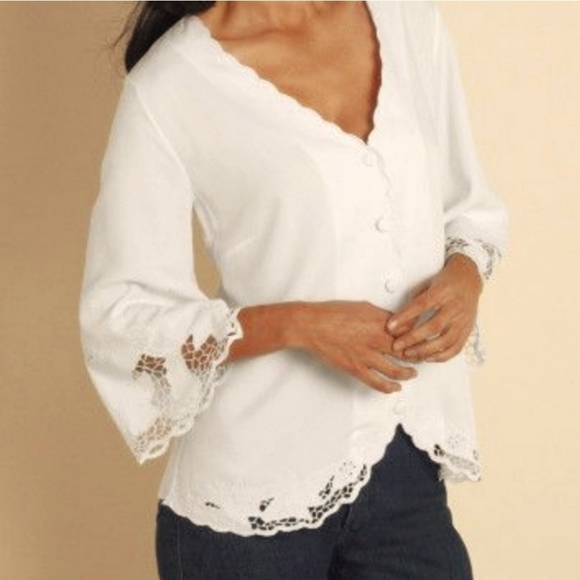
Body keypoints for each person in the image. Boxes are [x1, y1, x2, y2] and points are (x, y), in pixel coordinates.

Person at [79, 1, 508, 578]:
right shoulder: (171, 84)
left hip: (406, 474)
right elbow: (123, 317)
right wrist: (301, 324)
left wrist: (465, 275)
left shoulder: (407, 20)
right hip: (249, 512)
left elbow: (467, 208)